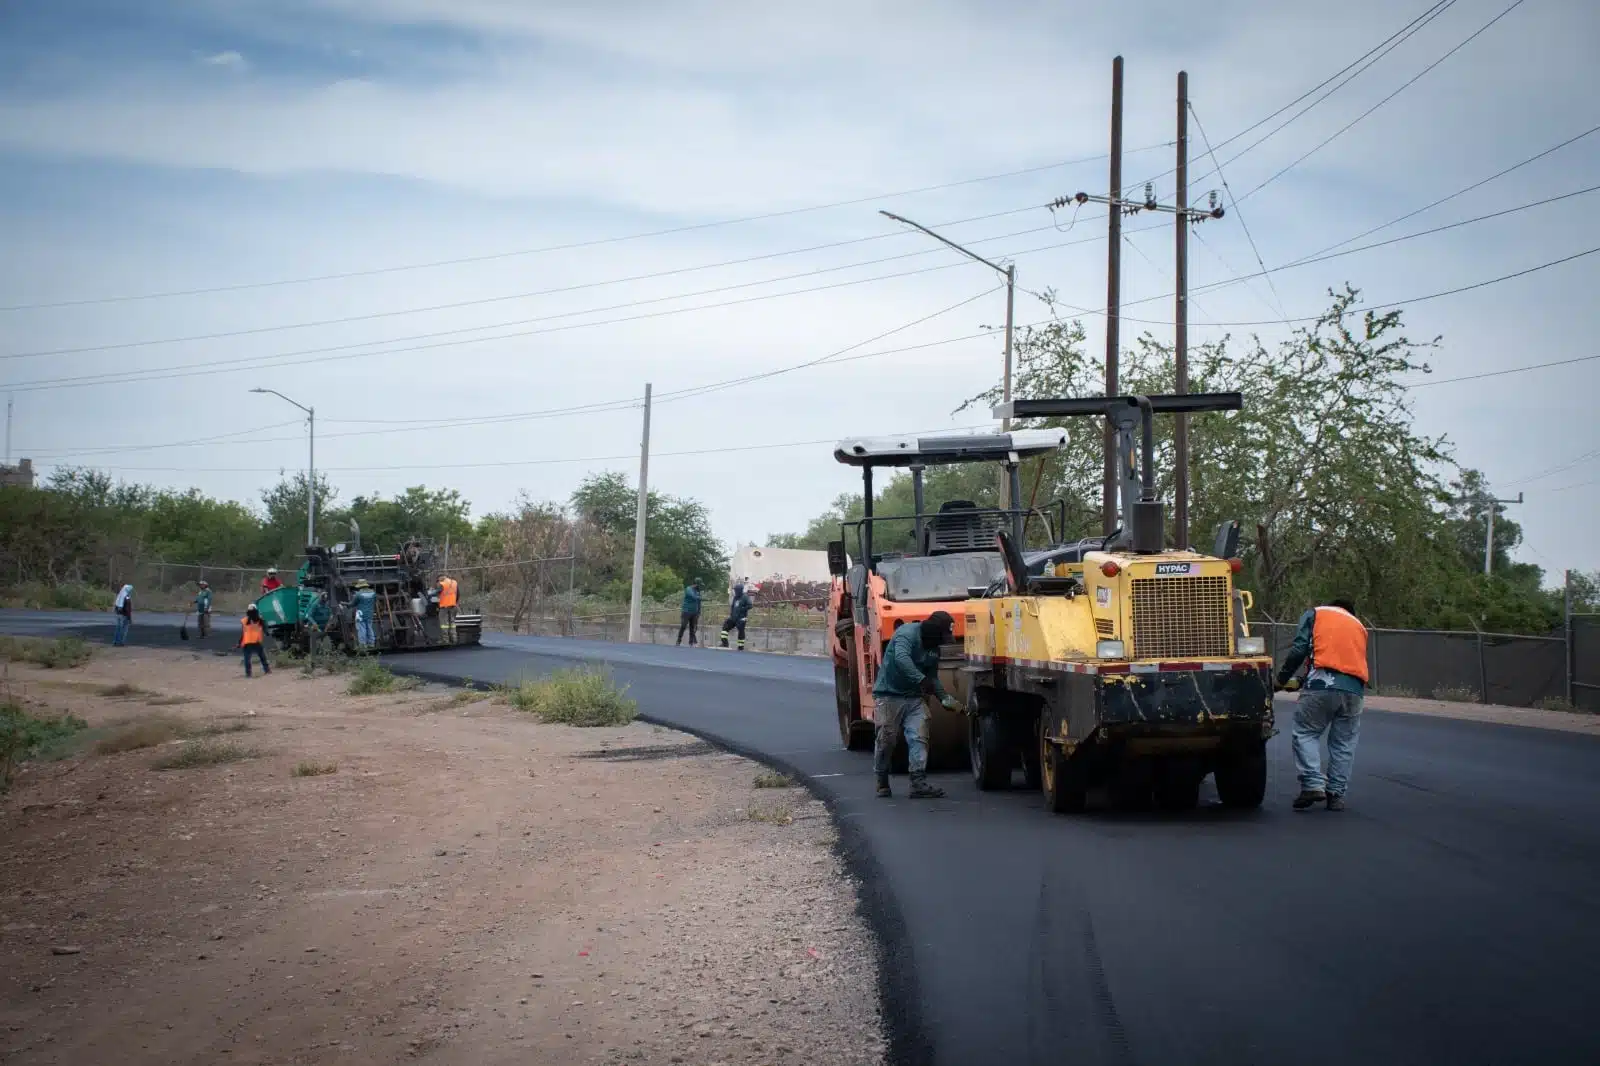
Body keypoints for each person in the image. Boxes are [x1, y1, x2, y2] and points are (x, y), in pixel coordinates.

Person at [1276, 597, 1369, 812]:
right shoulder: (1358, 626)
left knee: (1306, 732)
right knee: (1343, 745)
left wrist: (1282, 679)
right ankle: (1336, 795)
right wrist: (1301, 680)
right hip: (1354, 691)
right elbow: (1340, 663)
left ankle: (1312, 784)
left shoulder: (1318, 614)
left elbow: (1300, 650)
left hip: (1321, 687)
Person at [872, 610, 962, 799]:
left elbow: (933, 677)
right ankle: (881, 778)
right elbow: (901, 659)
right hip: (889, 696)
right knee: (886, 739)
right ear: (932, 631)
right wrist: (920, 680)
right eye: (942, 636)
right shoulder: (906, 634)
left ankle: (918, 782)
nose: (942, 642)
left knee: (919, 737)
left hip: (913, 699)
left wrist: (944, 698)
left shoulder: (933, 649)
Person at [240, 604, 271, 678]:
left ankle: (248, 674)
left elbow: (243, 633)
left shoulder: (244, 620)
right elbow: (265, 629)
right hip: (256, 641)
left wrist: (239, 643)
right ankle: (267, 670)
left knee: (247, 659)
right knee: (262, 657)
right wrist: (267, 633)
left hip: (247, 642)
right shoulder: (260, 619)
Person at [719, 585, 753, 651]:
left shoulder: (745, 597)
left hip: (741, 618)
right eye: (735, 590)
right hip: (733, 617)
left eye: (736, 590)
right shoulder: (735, 597)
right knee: (725, 626)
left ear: (740, 590)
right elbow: (732, 606)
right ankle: (725, 644)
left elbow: (750, 605)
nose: (735, 591)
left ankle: (740, 647)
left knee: (741, 631)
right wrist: (731, 615)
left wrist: (742, 609)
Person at [352, 579, 377, 650]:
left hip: (360, 615)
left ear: (360, 586)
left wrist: (344, 604)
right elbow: (375, 601)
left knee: (361, 629)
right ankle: (371, 643)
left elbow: (352, 604)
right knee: (369, 627)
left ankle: (363, 645)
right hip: (370, 614)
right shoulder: (373, 593)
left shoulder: (358, 594)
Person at [677, 582, 702, 646]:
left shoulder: (697, 591)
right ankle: (678, 641)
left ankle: (691, 643)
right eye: (699, 585)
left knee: (692, 627)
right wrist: (701, 598)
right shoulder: (689, 589)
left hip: (694, 612)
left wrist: (699, 612)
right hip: (686, 611)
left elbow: (699, 603)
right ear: (695, 584)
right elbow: (693, 596)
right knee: (683, 626)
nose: (700, 587)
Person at [437, 573, 459, 638]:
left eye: (439, 580)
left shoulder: (443, 584)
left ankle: (445, 639)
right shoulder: (454, 582)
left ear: (442, 578)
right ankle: (454, 638)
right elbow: (458, 594)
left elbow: (437, 592)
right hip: (453, 606)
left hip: (444, 607)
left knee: (444, 623)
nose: (439, 581)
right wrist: (454, 602)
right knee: (452, 622)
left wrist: (429, 595)